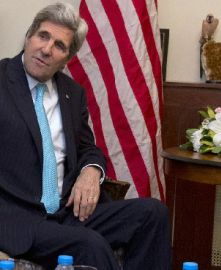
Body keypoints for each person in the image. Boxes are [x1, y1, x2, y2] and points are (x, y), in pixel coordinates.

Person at [0, 3, 171, 270]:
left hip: (68, 212)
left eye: (59, 45)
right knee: (89, 243)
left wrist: (91, 170)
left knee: (153, 213)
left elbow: (87, 148)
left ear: (67, 58)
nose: (46, 49)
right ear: (28, 35)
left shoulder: (72, 92)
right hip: (19, 219)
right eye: (43, 36)